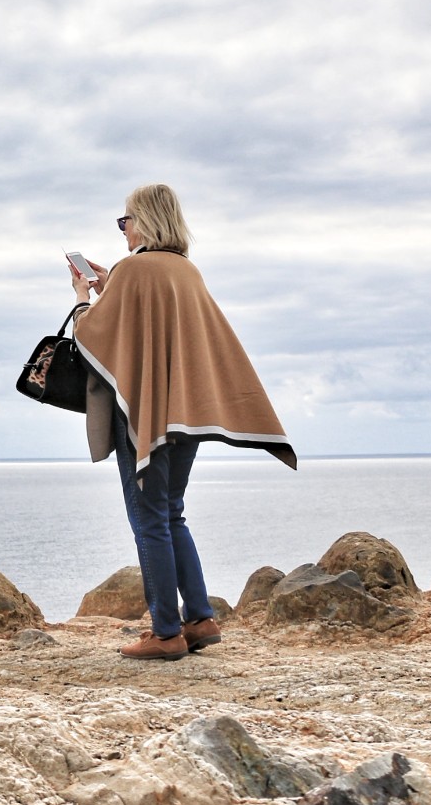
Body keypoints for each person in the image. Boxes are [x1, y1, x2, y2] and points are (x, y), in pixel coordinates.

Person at [69, 184, 295, 662]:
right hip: (184, 413)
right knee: (171, 512)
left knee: (148, 518)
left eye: (125, 220)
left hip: (144, 416)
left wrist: (83, 297)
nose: (123, 229)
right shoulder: (186, 272)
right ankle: (199, 617)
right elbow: (154, 333)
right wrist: (114, 288)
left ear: (144, 221)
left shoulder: (134, 269)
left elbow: (94, 333)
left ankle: (166, 631)